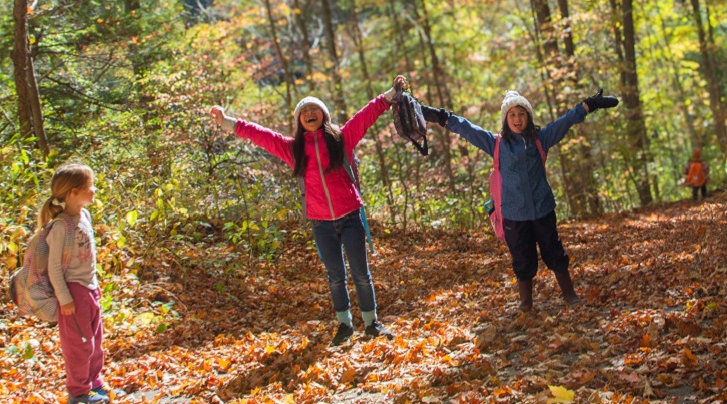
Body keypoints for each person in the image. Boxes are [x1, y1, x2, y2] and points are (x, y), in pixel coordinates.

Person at [209, 77, 406, 346]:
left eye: (314, 110)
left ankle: (371, 323)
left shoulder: (341, 139)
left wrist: (390, 95)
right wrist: (227, 121)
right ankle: (344, 325)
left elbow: (366, 115)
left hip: (350, 216)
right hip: (321, 223)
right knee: (335, 276)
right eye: (304, 112)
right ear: (299, 121)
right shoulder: (294, 149)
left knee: (361, 273)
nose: (309, 114)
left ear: (324, 115)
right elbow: (260, 134)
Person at [420, 89, 619, 311]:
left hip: (543, 209)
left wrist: (588, 105)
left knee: (554, 252)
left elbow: (565, 121)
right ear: (506, 119)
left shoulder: (541, 139)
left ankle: (569, 294)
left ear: (529, 117)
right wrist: (440, 117)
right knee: (522, 259)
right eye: (512, 114)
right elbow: (467, 129)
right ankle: (526, 303)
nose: (517, 119)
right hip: (514, 215)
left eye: (522, 114)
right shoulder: (496, 144)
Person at [38, 164, 119, 404]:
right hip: (72, 293)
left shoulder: (85, 216)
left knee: (95, 341)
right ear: (73, 193)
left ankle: (94, 382)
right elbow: (54, 267)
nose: (93, 191)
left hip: (89, 289)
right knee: (78, 344)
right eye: (88, 187)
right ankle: (79, 391)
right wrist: (65, 298)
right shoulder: (61, 226)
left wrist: (95, 285)